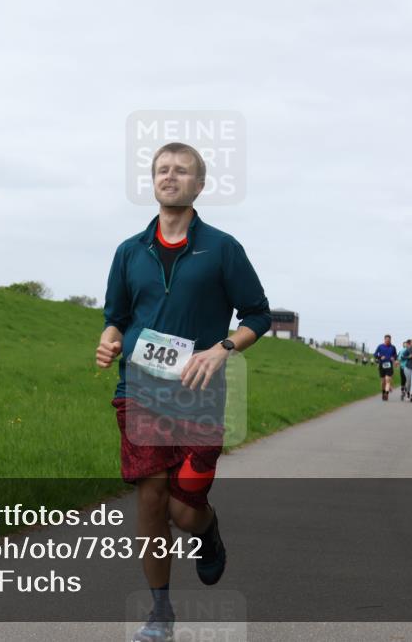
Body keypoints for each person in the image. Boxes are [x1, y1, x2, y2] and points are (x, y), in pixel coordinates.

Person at [95, 142, 271, 642]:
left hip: (198, 395)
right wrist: (108, 343)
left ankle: (208, 530)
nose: (170, 177)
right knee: (151, 499)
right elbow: (116, 318)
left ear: (199, 184)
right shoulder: (130, 251)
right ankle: (160, 614)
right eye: (162, 170)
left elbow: (257, 314)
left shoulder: (222, 248)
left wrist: (222, 349)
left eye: (182, 171)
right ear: (153, 182)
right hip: (140, 391)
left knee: (183, 506)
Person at [373, 334, 397, 401]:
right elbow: (375, 354)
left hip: (389, 365)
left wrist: (393, 358)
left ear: (390, 340)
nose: (388, 341)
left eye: (389, 340)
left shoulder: (393, 347)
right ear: (384, 340)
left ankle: (386, 394)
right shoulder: (380, 346)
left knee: (388, 380)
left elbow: (395, 355)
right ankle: (383, 393)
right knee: (383, 381)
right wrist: (380, 357)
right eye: (386, 340)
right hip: (382, 365)